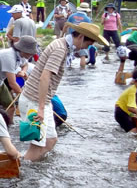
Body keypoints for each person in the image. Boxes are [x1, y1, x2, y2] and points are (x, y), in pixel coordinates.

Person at [20, 22, 108, 161]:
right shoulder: (60, 49)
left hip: (41, 99)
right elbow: (45, 76)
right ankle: (23, 170)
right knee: (36, 145)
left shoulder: (63, 44)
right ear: (81, 37)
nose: (87, 47)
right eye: (88, 43)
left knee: (50, 140)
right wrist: (41, 108)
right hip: (34, 100)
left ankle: (27, 165)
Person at [114, 67, 137, 132]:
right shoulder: (133, 91)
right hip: (121, 113)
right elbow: (130, 108)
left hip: (126, 112)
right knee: (134, 131)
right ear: (135, 81)